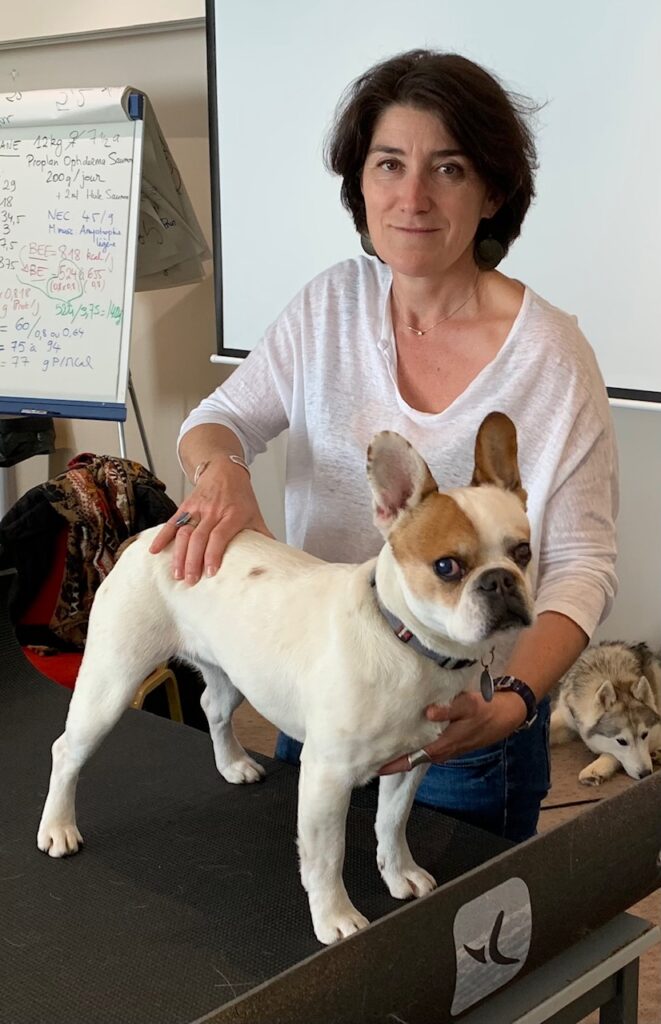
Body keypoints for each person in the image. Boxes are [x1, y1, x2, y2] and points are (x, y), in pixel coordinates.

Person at [151, 50, 617, 842]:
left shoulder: (549, 354)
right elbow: (218, 417)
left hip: (467, 722)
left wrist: (511, 708)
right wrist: (220, 469)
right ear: (358, 184)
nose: (411, 197)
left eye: (448, 168)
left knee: (456, 955)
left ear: (491, 191)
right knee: (310, 926)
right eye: (388, 164)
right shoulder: (330, 303)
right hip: (323, 685)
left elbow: (581, 565)